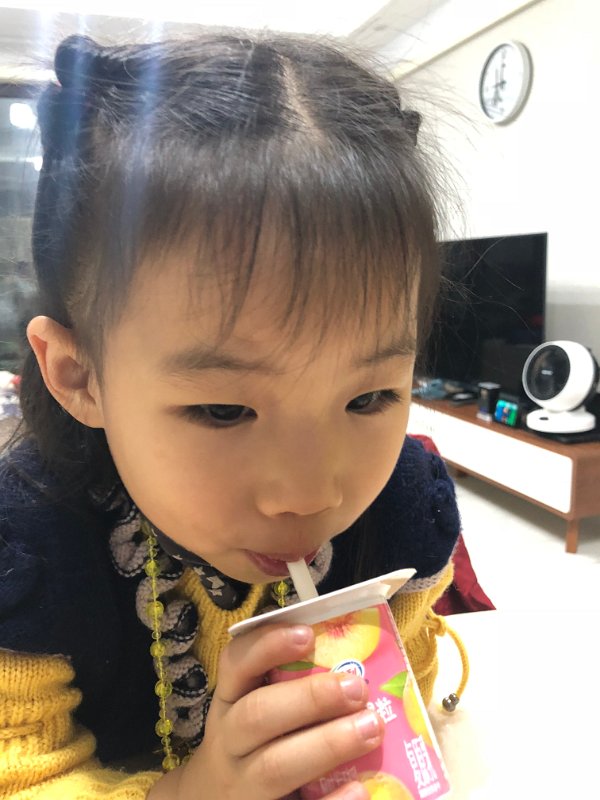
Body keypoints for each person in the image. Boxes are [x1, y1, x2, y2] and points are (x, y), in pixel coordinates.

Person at [0, 30, 464, 800]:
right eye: (223, 409)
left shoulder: (403, 516)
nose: (309, 495)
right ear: (81, 377)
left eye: (368, 398)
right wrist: (199, 789)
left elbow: (404, 709)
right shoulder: (28, 547)